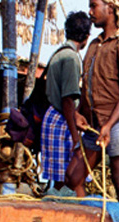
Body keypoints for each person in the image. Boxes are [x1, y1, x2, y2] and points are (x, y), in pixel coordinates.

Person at [69, 0, 119, 201]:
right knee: (73, 178)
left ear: (110, 9)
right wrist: (79, 113)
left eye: (93, 6)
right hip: (95, 124)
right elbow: (87, 88)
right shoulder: (94, 45)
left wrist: (109, 125)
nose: (89, 11)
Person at [41, 11, 92, 196]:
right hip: (62, 120)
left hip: (54, 118)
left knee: (60, 180)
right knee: (73, 179)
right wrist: (75, 137)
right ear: (86, 37)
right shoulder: (71, 58)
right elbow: (68, 100)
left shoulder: (57, 54)